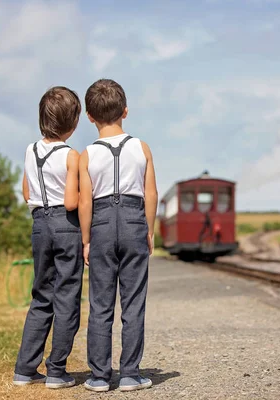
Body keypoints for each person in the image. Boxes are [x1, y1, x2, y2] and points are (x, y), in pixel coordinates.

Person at [78, 79, 158, 392]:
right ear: (125, 111)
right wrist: (148, 229)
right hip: (134, 220)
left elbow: (85, 201)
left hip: (100, 223)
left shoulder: (86, 154)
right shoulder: (142, 148)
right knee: (133, 302)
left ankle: (99, 376)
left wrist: (86, 240)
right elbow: (150, 193)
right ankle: (129, 374)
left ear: (89, 116)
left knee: (100, 303)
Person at [13, 86, 84, 389]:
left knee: (41, 295)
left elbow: (27, 191)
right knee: (67, 296)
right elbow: (71, 202)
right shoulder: (71, 156)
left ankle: (25, 369)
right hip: (65, 225)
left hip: (39, 225)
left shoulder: (30, 150)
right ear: (74, 122)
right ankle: (56, 370)